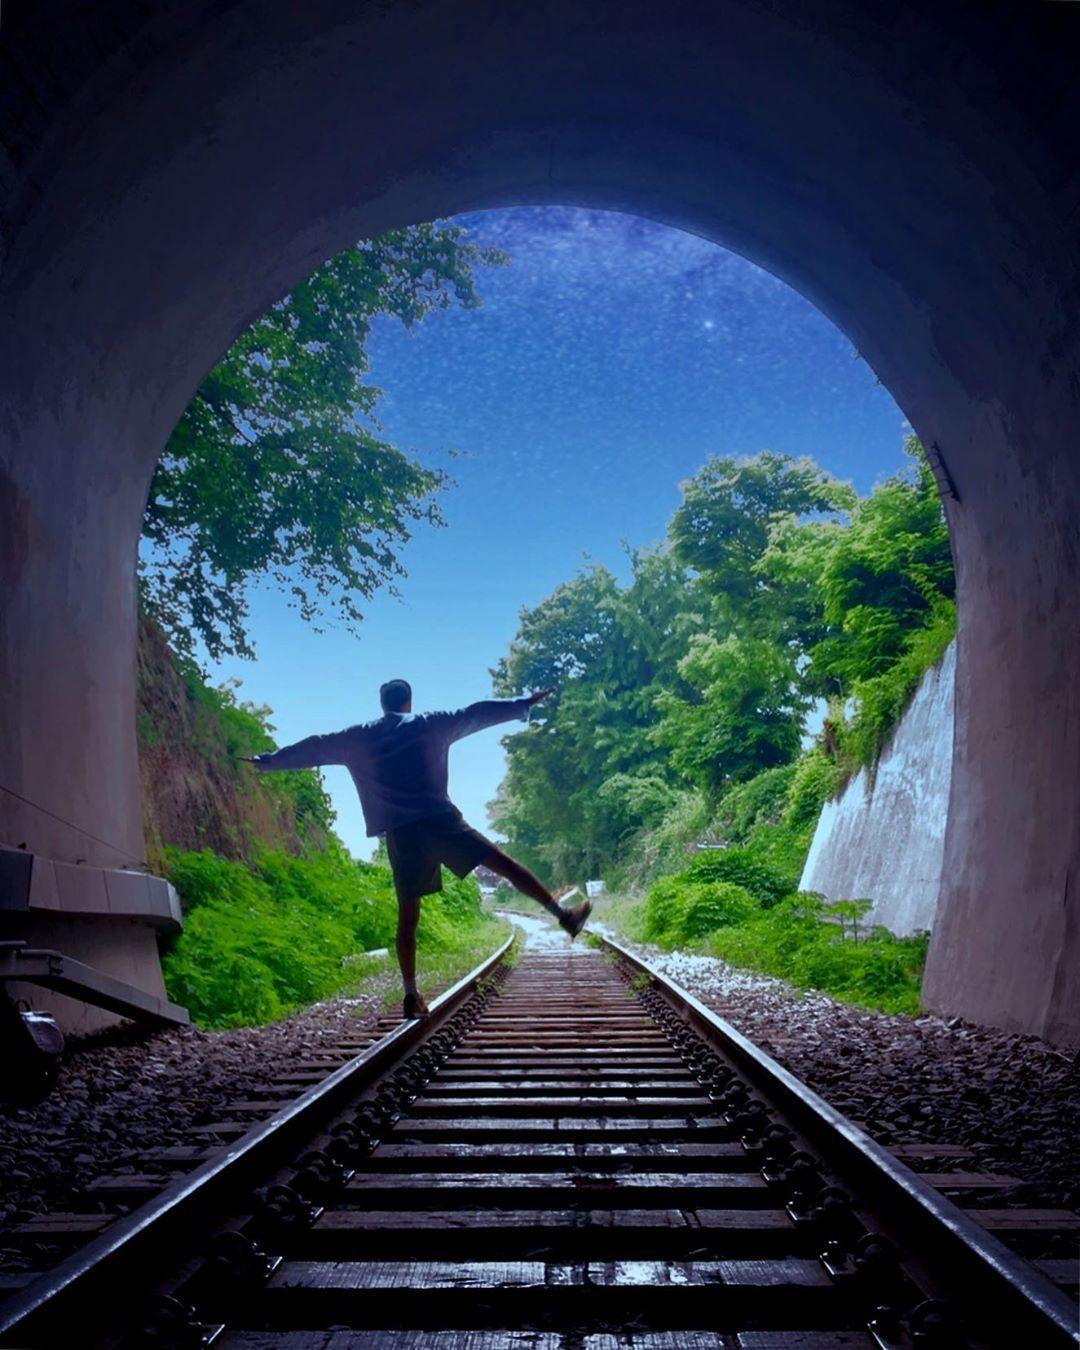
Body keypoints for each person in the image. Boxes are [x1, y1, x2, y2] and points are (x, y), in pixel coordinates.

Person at [242, 679, 591, 1019]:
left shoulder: (360, 737)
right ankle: (564, 916)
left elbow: (316, 745)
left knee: (408, 916)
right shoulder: (430, 724)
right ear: (408, 701)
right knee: (506, 866)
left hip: (402, 835)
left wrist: (269, 760)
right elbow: (476, 713)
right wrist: (522, 705)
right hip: (441, 822)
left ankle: (411, 994)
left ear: (382, 705)